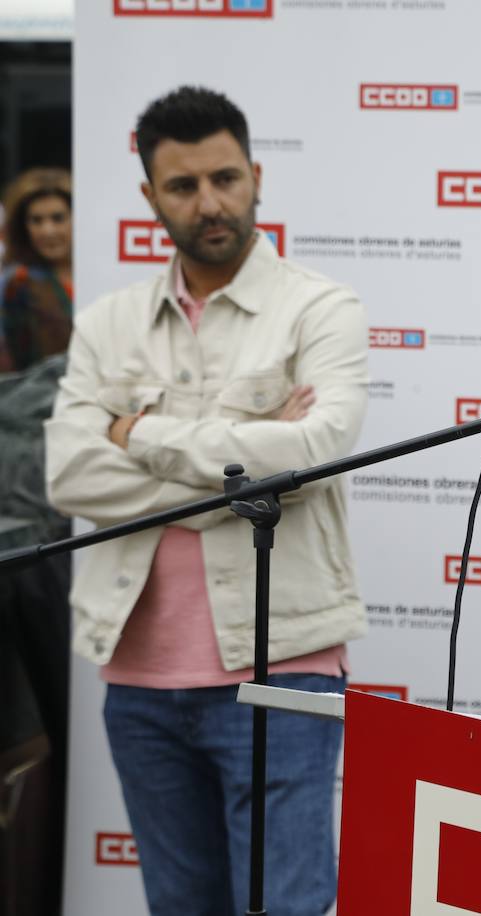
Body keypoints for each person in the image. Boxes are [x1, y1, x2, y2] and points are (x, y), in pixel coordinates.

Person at [44, 86, 369, 916]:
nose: (210, 202)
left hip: (280, 670)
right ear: (150, 195)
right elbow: (69, 478)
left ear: (257, 175)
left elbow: (313, 453)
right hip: (138, 678)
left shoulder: (319, 309)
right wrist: (240, 449)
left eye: (225, 178)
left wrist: (139, 433)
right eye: (183, 186)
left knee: (287, 907)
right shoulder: (108, 324)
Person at [0, 165, 74, 915]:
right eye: (40, 218)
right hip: (35, 479)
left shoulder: (103, 283)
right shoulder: (20, 288)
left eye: (63, 215)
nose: (51, 228)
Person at [1, 167, 74, 373]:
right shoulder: (18, 283)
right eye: (36, 220)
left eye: (58, 218)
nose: (47, 230)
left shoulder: (101, 271)